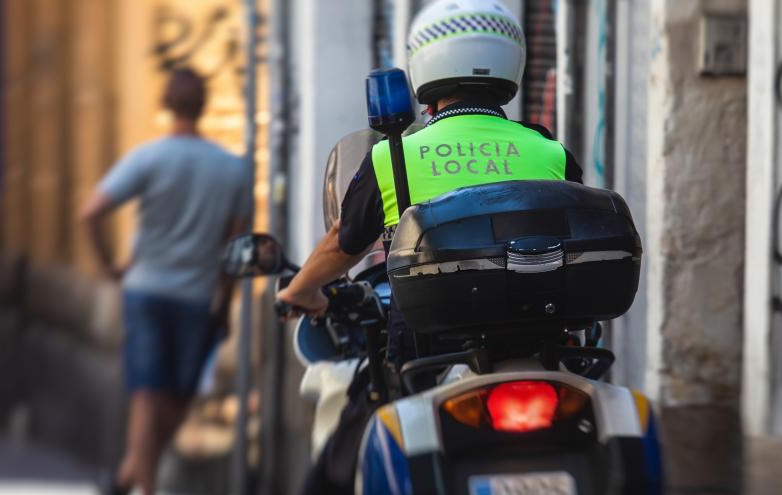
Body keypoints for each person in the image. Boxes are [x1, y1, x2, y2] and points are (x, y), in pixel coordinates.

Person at [278, 0, 583, 492]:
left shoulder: (393, 157)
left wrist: (298, 291)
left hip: (425, 356)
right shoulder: (548, 149)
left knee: (335, 469)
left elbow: (343, 245)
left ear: (424, 68)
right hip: (542, 351)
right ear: (513, 62)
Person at [79, 68, 250, 495]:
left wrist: (106, 266)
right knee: (174, 400)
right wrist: (225, 305)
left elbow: (91, 211)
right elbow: (234, 249)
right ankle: (139, 485)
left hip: (145, 291)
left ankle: (126, 480)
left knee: (147, 396)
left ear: (166, 104)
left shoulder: (148, 158)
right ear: (204, 107)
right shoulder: (234, 170)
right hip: (197, 298)